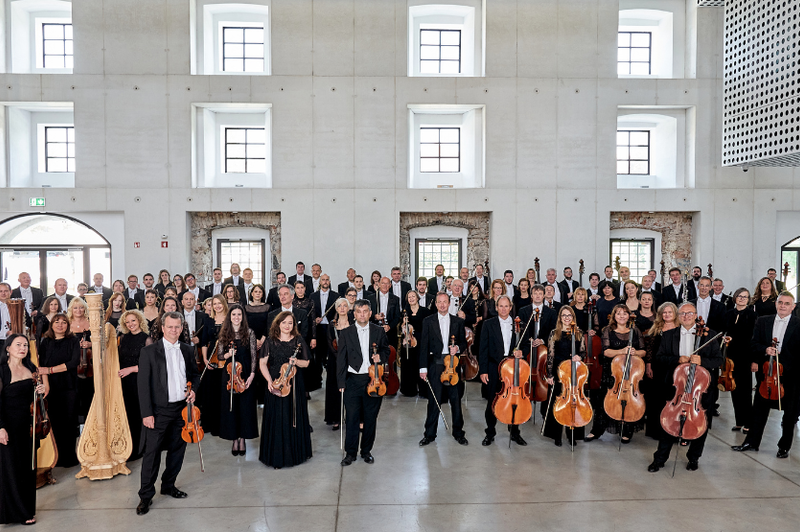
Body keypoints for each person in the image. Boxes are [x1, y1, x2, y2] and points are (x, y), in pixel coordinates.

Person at [136, 312, 200, 515]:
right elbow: (143, 386)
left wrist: (194, 391)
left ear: (182, 328)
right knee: (151, 454)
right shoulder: (149, 352)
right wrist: (147, 413)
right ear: (163, 328)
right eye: (170, 327)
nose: (174, 330)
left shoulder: (188, 350)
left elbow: (194, 375)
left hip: (182, 410)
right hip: (158, 411)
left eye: (177, 327)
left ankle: (168, 485)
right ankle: (146, 496)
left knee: (177, 451)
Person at [649, 303, 722, 472]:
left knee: (699, 424)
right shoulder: (668, 335)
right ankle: (660, 459)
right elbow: (659, 358)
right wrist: (677, 360)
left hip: (700, 389)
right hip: (676, 387)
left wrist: (702, 361)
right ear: (678, 316)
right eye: (682, 313)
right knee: (668, 422)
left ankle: (694, 458)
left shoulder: (709, 335)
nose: (686, 316)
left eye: (690, 313)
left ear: (696, 315)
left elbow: (719, 360)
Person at [732, 292, 799, 458]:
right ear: (776, 304)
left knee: (790, 414)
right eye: (780, 302)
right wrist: (765, 349)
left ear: (793, 306)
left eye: (787, 303)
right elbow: (753, 344)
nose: (783, 306)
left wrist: (784, 358)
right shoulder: (763, 321)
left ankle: (784, 446)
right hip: (768, 374)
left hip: (790, 376)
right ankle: (751, 442)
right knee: (758, 410)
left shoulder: (798, 324)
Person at [0, 334, 47, 525]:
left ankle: (27, 510)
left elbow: (37, 399)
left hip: (28, 426)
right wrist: (0, 427)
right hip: (8, 426)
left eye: (26, 345)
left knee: (28, 469)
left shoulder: (31, 368)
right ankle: (14, 513)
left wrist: (41, 391)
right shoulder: (2, 371)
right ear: (8, 348)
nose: (23, 348)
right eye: (18, 344)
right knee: (11, 469)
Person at [336, 299, 390, 466]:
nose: (362, 314)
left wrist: (380, 356)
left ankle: (366, 451)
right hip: (353, 380)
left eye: (365, 311)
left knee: (370, 418)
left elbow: (386, 350)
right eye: (359, 312)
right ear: (354, 314)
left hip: (373, 380)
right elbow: (341, 360)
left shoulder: (378, 331)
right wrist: (341, 382)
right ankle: (350, 453)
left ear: (369, 312)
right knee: (351, 418)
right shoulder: (346, 333)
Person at [584, 304, 646, 444]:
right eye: (618, 313)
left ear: (629, 316)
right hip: (613, 373)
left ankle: (626, 431)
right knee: (604, 402)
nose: (622, 316)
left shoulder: (635, 331)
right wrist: (622, 351)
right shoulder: (608, 331)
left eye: (625, 313)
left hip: (631, 374)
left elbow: (643, 351)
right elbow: (605, 351)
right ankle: (596, 430)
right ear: (614, 316)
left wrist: (636, 352)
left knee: (629, 402)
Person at [259, 311, 312, 468]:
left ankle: (295, 455)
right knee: (277, 417)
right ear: (278, 324)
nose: (287, 326)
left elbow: (307, 363)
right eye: (284, 323)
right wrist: (269, 381)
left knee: (293, 416)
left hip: (294, 383)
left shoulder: (298, 340)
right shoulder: (270, 341)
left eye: (290, 323)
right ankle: (276, 457)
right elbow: (262, 363)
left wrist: (296, 362)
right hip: (276, 382)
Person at [418, 292, 469, 447]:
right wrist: (423, 367)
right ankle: (429, 434)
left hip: (453, 364)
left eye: (445, 302)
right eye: (439, 302)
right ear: (436, 304)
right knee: (434, 400)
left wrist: (458, 348)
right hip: (436, 364)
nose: (442, 305)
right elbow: (424, 345)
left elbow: (463, 343)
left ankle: (458, 433)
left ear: (449, 303)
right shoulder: (428, 321)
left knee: (455, 399)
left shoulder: (458, 321)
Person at [479, 295, 526, 446]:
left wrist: (521, 352)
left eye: (507, 306)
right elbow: (483, 349)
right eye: (501, 306)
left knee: (514, 400)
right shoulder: (488, 324)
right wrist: (483, 370)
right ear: (497, 307)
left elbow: (524, 344)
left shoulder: (518, 324)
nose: (504, 309)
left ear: (511, 308)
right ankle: (490, 433)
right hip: (494, 367)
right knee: (492, 401)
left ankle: (515, 432)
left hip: (512, 368)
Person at [37, 313, 80, 467]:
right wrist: (46, 384)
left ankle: (69, 458)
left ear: (67, 325)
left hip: (69, 385)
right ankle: (55, 457)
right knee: (54, 421)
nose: (60, 325)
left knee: (69, 421)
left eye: (63, 322)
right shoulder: (45, 342)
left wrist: (50, 370)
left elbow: (73, 362)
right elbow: (42, 366)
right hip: (52, 387)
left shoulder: (73, 340)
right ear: (52, 325)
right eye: (57, 322)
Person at [217, 304, 258, 457]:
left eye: (239, 315)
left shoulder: (249, 332)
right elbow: (220, 356)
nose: (236, 317)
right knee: (231, 407)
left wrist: (252, 374)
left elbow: (254, 355)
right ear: (230, 316)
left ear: (243, 316)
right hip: (229, 374)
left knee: (245, 407)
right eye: (233, 314)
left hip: (245, 371)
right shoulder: (225, 332)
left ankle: (243, 439)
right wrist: (229, 354)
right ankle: (234, 438)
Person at [543, 306, 587, 447]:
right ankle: (556, 435)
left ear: (573, 317)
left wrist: (578, 357)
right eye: (564, 315)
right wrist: (549, 374)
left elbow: (583, 353)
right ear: (560, 318)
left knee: (573, 404)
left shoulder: (579, 333)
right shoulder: (554, 333)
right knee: (559, 404)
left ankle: (572, 434)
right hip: (559, 372)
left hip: (573, 373)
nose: (567, 318)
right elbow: (550, 356)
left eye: (569, 315)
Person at [118, 310, 153, 461]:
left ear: (139, 320)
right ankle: (130, 446)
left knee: (140, 413)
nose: (131, 324)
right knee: (129, 413)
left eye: (133, 321)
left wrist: (131, 369)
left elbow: (150, 365)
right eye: (127, 322)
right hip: (125, 381)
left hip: (139, 380)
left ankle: (141, 448)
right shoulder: (123, 338)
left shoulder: (147, 339)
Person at [643, 302, 680, 440]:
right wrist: (648, 365)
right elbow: (650, 350)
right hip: (658, 367)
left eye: (670, 312)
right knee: (656, 399)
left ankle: (671, 429)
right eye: (664, 312)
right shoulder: (656, 328)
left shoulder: (680, 329)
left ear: (675, 313)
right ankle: (656, 430)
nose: (667, 315)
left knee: (671, 398)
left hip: (674, 367)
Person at [724, 288, 757, 432]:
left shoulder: (753, 315)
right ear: (735, 297)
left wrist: (754, 360)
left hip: (746, 356)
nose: (742, 299)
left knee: (745, 391)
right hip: (731, 356)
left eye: (745, 297)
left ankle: (748, 423)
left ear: (748, 299)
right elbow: (724, 332)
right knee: (734, 388)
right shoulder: (729, 313)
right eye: (740, 296)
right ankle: (739, 421)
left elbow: (755, 339)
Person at [326, 298, 351, 429]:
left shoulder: (353, 323)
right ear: (336, 309)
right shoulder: (332, 325)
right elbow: (330, 343)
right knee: (335, 389)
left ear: (349, 308)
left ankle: (352, 418)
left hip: (351, 361)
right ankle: (336, 417)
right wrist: (339, 358)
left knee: (350, 390)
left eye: (345, 306)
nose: (342, 308)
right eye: (339, 306)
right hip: (335, 361)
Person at [399, 290, 429, 397]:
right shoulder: (404, 312)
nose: (411, 298)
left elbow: (427, 327)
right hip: (408, 342)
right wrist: (403, 322)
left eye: (413, 296)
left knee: (420, 363)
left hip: (421, 341)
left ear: (417, 298)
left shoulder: (425, 311)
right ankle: (409, 389)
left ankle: (423, 389)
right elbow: (401, 329)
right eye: (409, 297)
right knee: (408, 364)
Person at [66, 298, 93, 419]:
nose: (78, 310)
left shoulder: (91, 322)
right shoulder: (66, 323)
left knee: (88, 392)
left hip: (89, 363)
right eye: (75, 307)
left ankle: (87, 421)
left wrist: (90, 344)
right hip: (72, 362)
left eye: (81, 307)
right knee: (73, 393)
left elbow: (100, 342)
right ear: (71, 309)